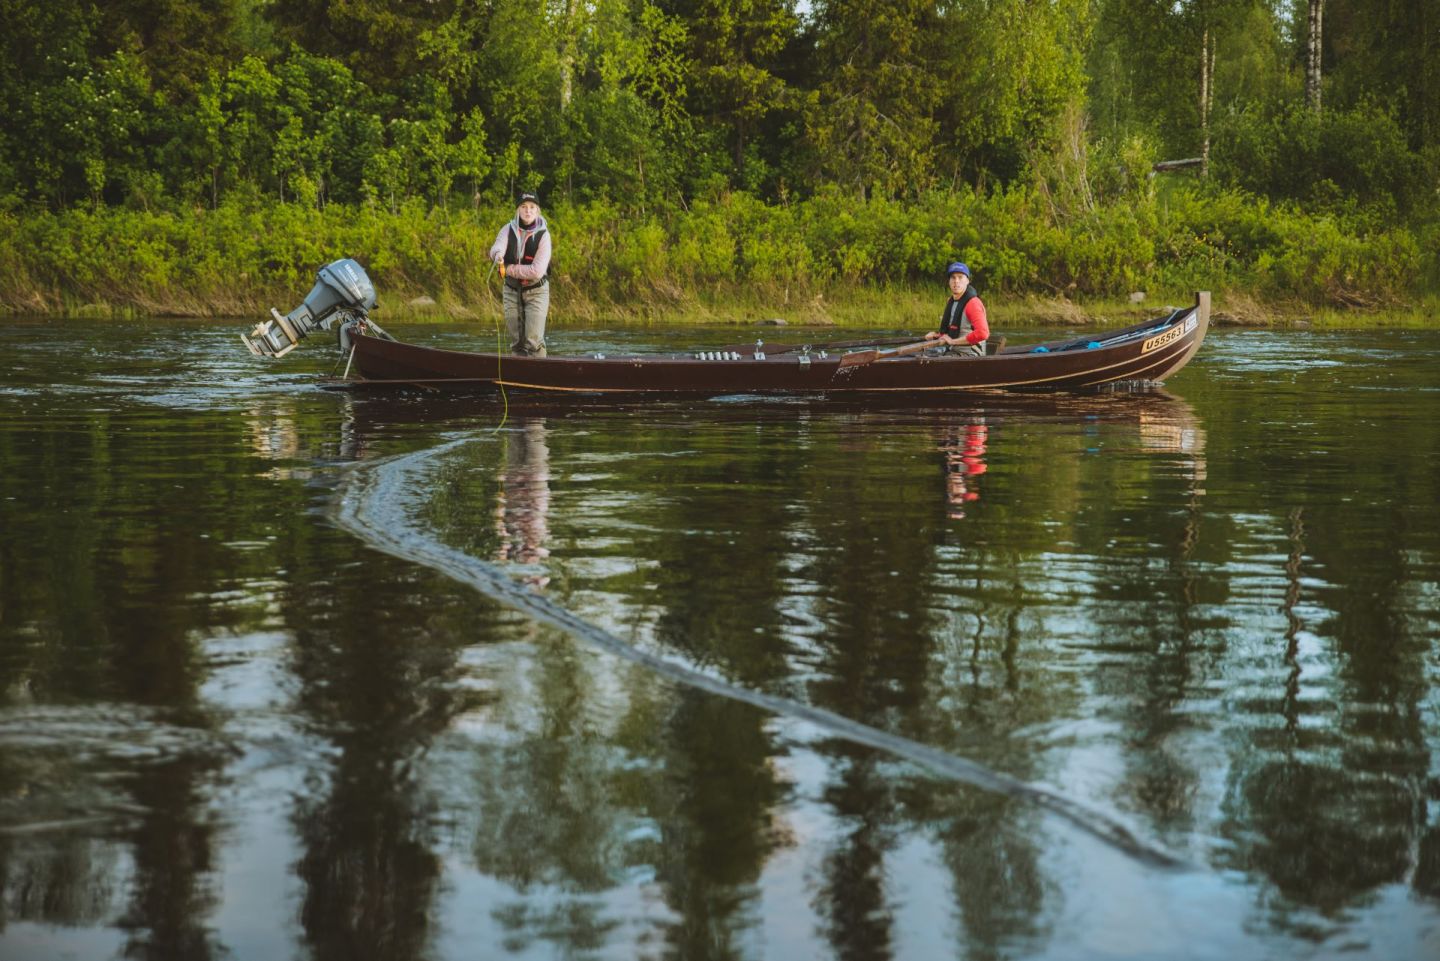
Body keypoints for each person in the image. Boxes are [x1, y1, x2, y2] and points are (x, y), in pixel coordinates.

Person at [489, 192, 553, 356]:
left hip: (536, 291)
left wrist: (509, 269)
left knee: (533, 341)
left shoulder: (544, 235)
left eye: (532, 207)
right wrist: (498, 255)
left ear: (537, 211)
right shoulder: (507, 229)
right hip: (511, 290)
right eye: (523, 207)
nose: (528, 211)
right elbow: (496, 249)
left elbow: (537, 271)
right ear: (518, 210)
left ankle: (539, 373)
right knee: (517, 341)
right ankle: (517, 373)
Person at [924, 262, 989, 356]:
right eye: (953, 277)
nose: (956, 281)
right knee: (923, 355)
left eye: (960, 277)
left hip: (971, 356)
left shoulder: (973, 303)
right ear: (949, 281)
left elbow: (983, 333)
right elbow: (953, 332)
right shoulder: (951, 302)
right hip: (954, 352)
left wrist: (953, 342)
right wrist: (937, 336)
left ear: (967, 280)